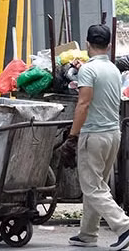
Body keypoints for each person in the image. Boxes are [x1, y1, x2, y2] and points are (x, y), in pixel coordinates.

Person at [60, 24, 129, 249]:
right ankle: (88, 234)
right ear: (109, 46)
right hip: (113, 134)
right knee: (97, 184)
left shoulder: (88, 70)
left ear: (88, 44)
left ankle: (124, 226)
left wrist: (72, 136)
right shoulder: (114, 70)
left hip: (95, 135)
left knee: (92, 186)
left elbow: (84, 103)